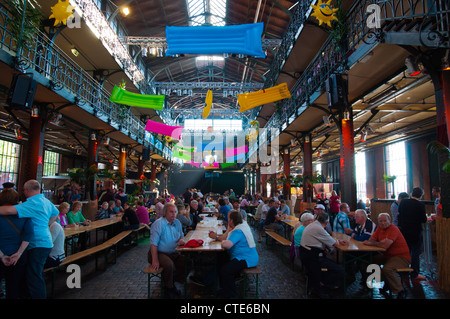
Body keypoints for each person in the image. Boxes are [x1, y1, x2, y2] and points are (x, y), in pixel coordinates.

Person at [0, 180, 59, 299]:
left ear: (26, 190)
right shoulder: (45, 201)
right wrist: (46, 225)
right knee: (30, 276)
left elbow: (7, 210)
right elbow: (56, 214)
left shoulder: (29, 205)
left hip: (36, 244)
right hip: (42, 243)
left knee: (34, 277)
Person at [299, 211, 348, 299]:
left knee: (332, 263)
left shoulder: (314, 225)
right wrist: (339, 242)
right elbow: (334, 244)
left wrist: (338, 242)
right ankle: (325, 287)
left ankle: (322, 285)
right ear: (327, 222)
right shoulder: (318, 228)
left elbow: (327, 238)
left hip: (306, 254)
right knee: (340, 270)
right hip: (312, 258)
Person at [212, 210, 259, 298]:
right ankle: (224, 288)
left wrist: (223, 242)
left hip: (247, 259)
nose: (227, 219)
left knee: (225, 270)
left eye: (228, 218)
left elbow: (227, 245)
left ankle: (231, 295)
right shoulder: (241, 226)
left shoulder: (238, 231)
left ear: (232, 221)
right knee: (220, 258)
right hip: (244, 257)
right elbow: (227, 237)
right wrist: (228, 231)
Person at [363, 213, 410, 299]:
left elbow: (384, 245)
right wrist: (380, 243)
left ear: (390, 221)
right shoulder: (379, 229)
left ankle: (400, 290)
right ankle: (384, 282)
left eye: (385, 221)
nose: (383, 223)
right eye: (381, 221)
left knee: (387, 269)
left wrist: (376, 243)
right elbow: (371, 240)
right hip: (388, 256)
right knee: (368, 261)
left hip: (401, 257)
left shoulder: (394, 229)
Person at [0, 188, 34, 299]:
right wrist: (18, 254)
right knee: (14, 287)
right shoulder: (24, 214)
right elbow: (29, 235)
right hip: (18, 256)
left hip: (1, 253)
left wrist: (2, 256)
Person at [148, 203, 185, 299]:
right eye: (171, 212)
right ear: (165, 213)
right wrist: (155, 260)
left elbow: (182, 236)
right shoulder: (159, 224)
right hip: (158, 252)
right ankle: (169, 289)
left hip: (173, 252)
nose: (174, 214)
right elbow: (153, 243)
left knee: (187, 262)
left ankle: (172, 283)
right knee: (169, 265)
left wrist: (181, 240)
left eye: (175, 212)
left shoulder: (177, 223)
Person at [398, 187, 427, 281]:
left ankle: (404, 271)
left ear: (411, 193)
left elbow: (400, 214)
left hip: (404, 231)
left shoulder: (403, 202)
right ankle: (414, 274)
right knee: (415, 253)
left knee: (405, 251)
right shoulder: (420, 205)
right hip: (415, 232)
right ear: (421, 195)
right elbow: (424, 219)